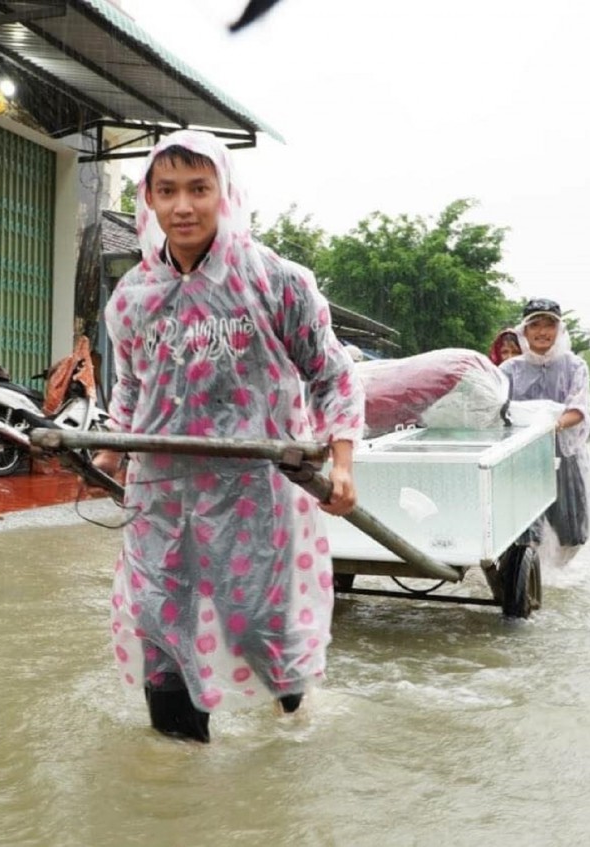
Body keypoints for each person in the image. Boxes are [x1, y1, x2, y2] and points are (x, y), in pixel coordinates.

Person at [92, 130, 365, 743]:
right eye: (168, 191)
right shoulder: (133, 296)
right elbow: (132, 388)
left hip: (254, 492)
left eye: (198, 189)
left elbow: (332, 375)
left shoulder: (274, 279)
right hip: (160, 496)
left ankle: (293, 722)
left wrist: (342, 462)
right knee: (160, 622)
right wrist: (112, 448)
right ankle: (177, 788)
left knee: (256, 624)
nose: (182, 206)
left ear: (225, 194)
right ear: (150, 201)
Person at [499, 298, 590, 566]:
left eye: (549, 324)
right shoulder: (509, 369)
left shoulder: (575, 366)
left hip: (561, 452)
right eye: (535, 325)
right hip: (519, 456)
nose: (542, 332)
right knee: (521, 527)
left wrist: (551, 427)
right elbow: (495, 408)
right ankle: (524, 575)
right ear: (524, 332)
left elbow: (579, 408)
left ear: (559, 330)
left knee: (571, 528)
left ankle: (558, 579)